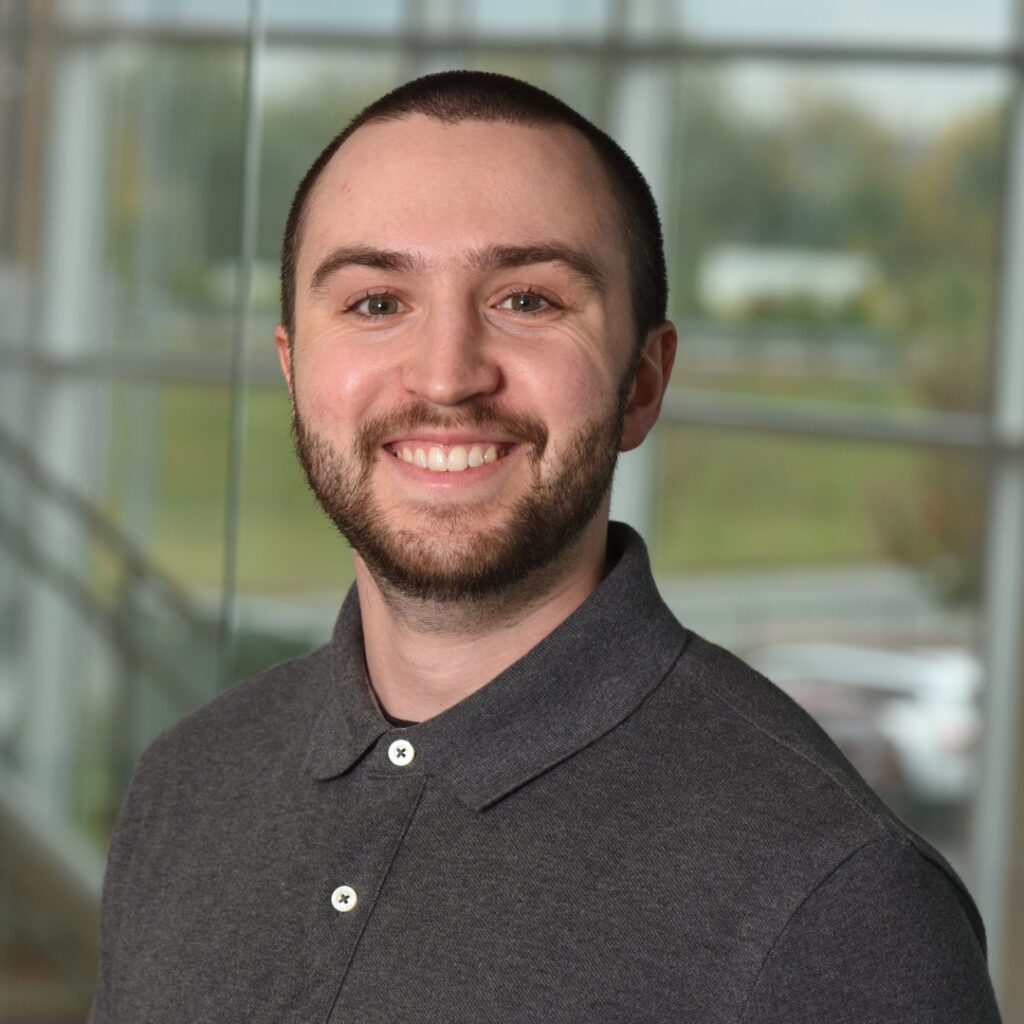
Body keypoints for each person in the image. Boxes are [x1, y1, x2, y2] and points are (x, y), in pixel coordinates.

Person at [88, 70, 1001, 1023]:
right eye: (374, 303)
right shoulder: (187, 786)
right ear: (293, 367)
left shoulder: (841, 903)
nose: (446, 377)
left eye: (526, 300)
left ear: (643, 383)